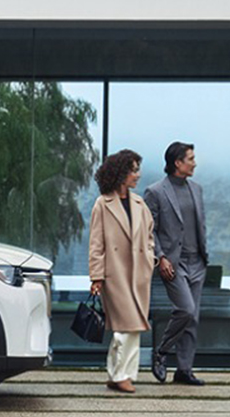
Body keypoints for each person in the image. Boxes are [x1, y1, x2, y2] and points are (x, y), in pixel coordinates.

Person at [88, 150, 156, 393]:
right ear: (121, 173)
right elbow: (96, 243)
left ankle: (117, 373)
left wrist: (149, 257)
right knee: (125, 326)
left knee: (132, 326)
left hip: (138, 274)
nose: (137, 175)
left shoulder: (139, 203)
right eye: (133, 170)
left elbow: (149, 235)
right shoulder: (102, 204)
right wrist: (96, 276)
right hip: (114, 274)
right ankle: (122, 375)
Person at [144, 141, 207, 386]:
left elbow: (200, 225)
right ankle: (161, 351)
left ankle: (184, 370)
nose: (195, 162)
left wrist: (204, 256)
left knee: (193, 319)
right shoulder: (156, 191)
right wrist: (161, 258)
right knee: (185, 310)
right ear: (177, 163)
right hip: (173, 263)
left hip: (197, 262)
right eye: (190, 158)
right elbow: (150, 230)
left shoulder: (197, 189)